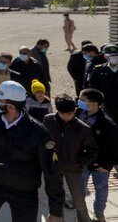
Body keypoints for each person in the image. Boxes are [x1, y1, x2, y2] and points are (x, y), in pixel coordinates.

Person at [0, 80, 64, 222]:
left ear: (10, 107)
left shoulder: (39, 133)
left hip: (24, 190)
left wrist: (56, 211)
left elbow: (52, 172)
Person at [43, 94, 96, 222]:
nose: (66, 117)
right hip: (53, 168)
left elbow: (92, 150)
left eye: (70, 114)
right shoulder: (48, 120)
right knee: (56, 203)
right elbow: (42, 140)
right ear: (56, 109)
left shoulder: (83, 129)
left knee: (79, 202)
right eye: (63, 114)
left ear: (75, 111)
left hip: (74, 169)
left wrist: (80, 163)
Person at [78, 88, 118, 222]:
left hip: (99, 164)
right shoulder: (79, 114)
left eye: (83, 100)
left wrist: (106, 165)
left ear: (94, 104)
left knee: (100, 189)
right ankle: (81, 211)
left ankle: (99, 213)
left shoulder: (107, 124)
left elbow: (114, 148)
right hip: (82, 161)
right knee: (79, 188)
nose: (79, 102)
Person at [89, 44, 118, 124]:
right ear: (106, 57)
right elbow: (94, 86)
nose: (115, 58)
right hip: (107, 105)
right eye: (112, 56)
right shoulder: (99, 70)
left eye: (116, 55)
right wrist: (98, 101)